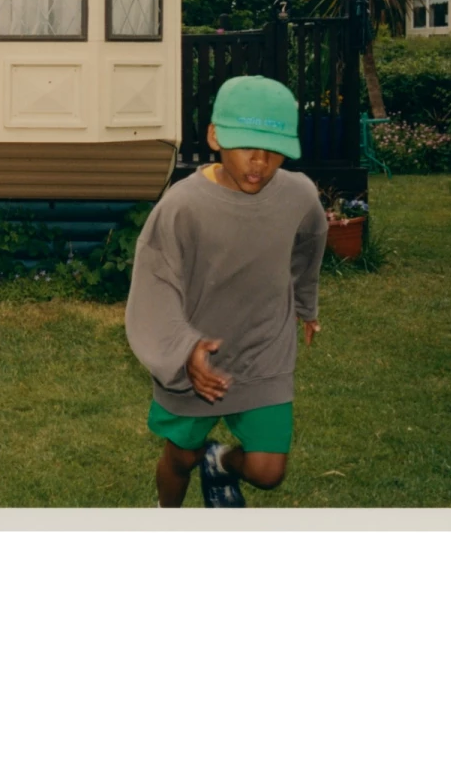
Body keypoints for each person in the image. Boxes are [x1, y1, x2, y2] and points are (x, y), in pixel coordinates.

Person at [124, 75, 328, 508]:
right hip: (197, 360)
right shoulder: (183, 206)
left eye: (273, 150)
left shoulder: (299, 195)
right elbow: (154, 287)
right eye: (247, 146)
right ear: (215, 136)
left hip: (264, 350)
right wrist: (184, 350)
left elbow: (310, 243)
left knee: (268, 471)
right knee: (181, 457)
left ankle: (220, 464)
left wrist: (305, 305)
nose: (260, 162)